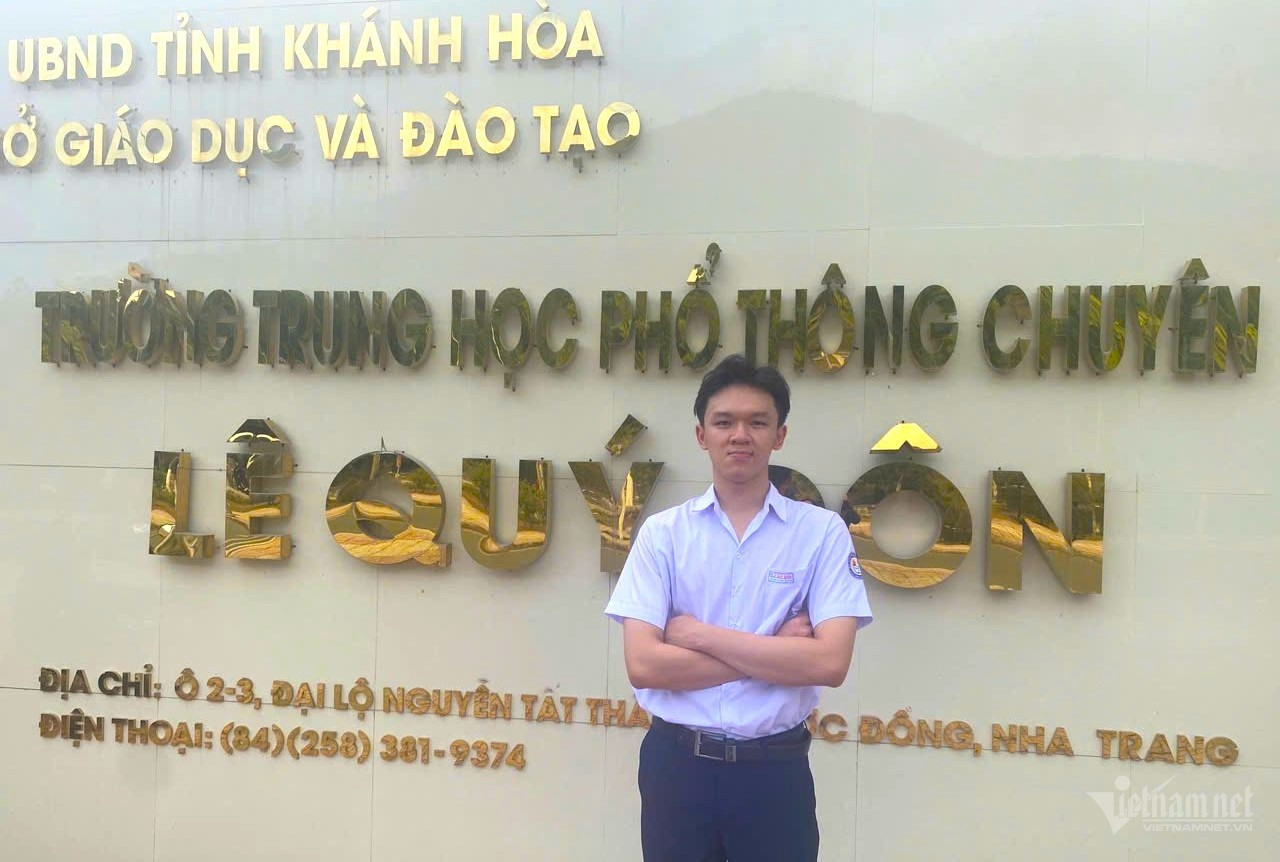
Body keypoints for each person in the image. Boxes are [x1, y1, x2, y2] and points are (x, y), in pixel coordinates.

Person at [605, 354, 873, 861]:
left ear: (780, 435)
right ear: (701, 435)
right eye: (724, 422)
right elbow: (644, 665)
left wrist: (698, 636)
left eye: (758, 422)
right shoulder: (664, 535)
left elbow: (829, 663)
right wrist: (775, 652)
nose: (740, 435)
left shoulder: (820, 533)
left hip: (774, 773)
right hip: (678, 769)